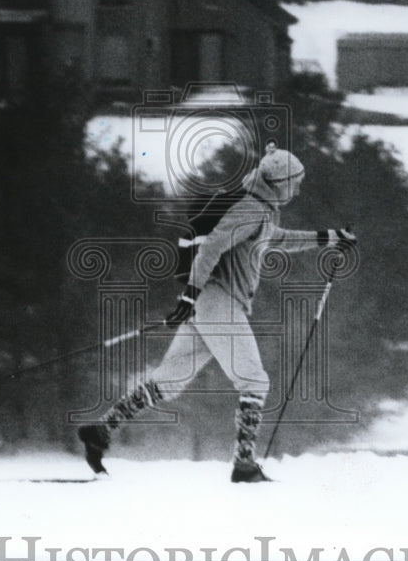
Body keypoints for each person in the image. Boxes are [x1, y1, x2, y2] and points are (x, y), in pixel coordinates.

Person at [77, 142, 356, 482]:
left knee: (169, 381)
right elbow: (211, 247)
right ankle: (244, 464)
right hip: (218, 303)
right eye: (295, 182)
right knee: (254, 380)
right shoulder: (251, 208)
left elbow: (276, 239)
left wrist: (327, 238)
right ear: (281, 181)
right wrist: (191, 296)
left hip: (212, 305)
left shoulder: (262, 210)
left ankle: (102, 431)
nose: (297, 189)